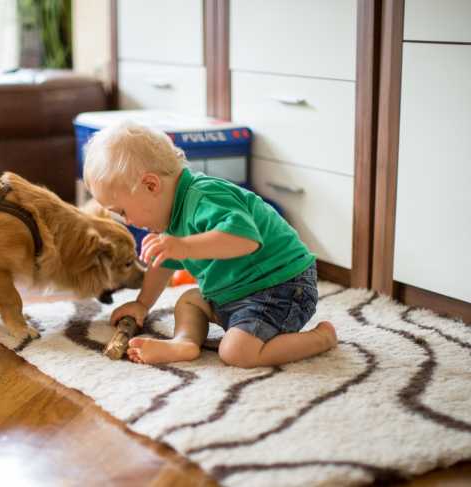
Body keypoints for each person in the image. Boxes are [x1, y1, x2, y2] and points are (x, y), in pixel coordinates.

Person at [82, 122, 337, 367]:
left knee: (236, 352)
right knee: (190, 300)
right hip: (234, 293)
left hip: (281, 287)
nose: (128, 221)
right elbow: (163, 265)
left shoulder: (205, 196)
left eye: (123, 211)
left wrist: (184, 247)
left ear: (151, 185)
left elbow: (245, 240)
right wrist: (142, 303)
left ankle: (320, 339)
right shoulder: (171, 216)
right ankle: (184, 343)